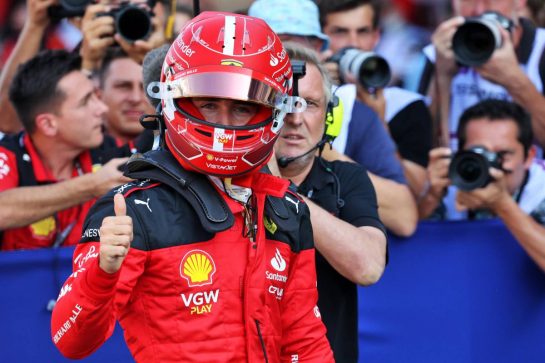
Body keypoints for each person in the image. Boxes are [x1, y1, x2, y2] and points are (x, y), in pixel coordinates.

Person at [51, 11, 334, 362]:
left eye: (243, 108)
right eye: (208, 104)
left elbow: (304, 341)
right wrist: (102, 273)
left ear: (272, 110)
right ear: (171, 99)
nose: (223, 123)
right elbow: (70, 341)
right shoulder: (131, 210)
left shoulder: (287, 207)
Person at [248, 0, 418, 237]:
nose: (291, 60)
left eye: (303, 45)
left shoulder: (350, 111)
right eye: (277, 46)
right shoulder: (233, 108)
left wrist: (319, 144)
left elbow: (404, 217)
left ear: (320, 49)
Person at [274, 42, 387, 363]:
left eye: (309, 103)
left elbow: (367, 268)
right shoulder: (229, 181)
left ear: (329, 117)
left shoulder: (346, 179)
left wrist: (276, 187)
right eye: (283, 103)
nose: (295, 118)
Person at [0, 49, 130, 250]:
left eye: (96, 96)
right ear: (48, 125)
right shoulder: (8, 154)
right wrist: (92, 185)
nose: (102, 109)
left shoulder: (112, 151)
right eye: (86, 101)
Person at [318, 0, 434, 197]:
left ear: (376, 36)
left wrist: (378, 123)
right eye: (340, 32)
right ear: (321, 39)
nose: (353, 43)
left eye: (362, 32)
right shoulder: (305, 97)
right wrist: (319, 84)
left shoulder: (406, 106)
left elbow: (416, 193)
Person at [418, 99, 545, 271]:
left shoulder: (541, 190)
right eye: (479, 153)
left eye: (502, 155)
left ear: (529, 157)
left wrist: (503, 205)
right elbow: (410, 256)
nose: (488, 164)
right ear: (460, 153)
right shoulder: (448, 182)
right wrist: (430, 198)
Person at [417, 0, 545, 149]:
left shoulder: (540, 49)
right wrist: (442, 78)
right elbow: (421, 149)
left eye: (490, 1)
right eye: (468, 1)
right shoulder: (439, 52)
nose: (478, 11)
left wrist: (515, 82)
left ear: (520, 2)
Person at [97, 47, 155, 144]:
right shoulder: (71, 156)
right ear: (99, 96)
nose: (136, 98)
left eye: (146, 88)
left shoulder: (182, 155)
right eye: (124, 86)